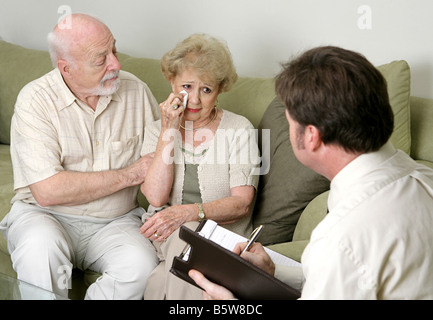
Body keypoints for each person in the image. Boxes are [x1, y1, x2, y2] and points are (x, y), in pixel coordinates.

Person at [189, 46, 433, 299]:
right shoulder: (424, 179)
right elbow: (351, 279)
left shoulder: (340, 239)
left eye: (290, 122)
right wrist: (273, 273)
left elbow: (346, 264)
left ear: (311, 136)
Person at [0, 14, 160, 299]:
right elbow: (48, 191)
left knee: (142, 266)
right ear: (67, 69)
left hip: (117, 220)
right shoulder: (35, 100)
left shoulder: (137, 92)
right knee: (39, 249)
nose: (116, 64)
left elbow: (159, 172)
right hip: (45, 215)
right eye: (101, 59)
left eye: (114, 50)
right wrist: (131, 174)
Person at [139, 33, 260, 299]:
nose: (193, 100)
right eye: (186, 87)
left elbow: (241, 204)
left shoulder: (238, 129)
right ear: (171, 81)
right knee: (188, 239)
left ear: (219, 91)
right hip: (165, 234)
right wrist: (169, 129)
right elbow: (157, 197)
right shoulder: (156, 130)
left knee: (159, 280)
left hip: (224, 240)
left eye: (206, 89)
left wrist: (188, 213)